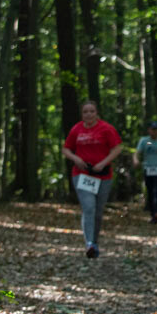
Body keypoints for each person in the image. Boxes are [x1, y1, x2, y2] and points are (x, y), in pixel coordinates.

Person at [61, 100, 124, 259]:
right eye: (85, 112)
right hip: (82, 175)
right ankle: (89, 243)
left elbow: (117, 148)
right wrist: (76, 159)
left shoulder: (106, 129)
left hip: (103, 175)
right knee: (88, 207)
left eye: (92, 111)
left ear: (97, 113)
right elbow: (66, 149)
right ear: (82, 114)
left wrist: (103, 163)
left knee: (97, 211)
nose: (88, 114)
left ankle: (94, 243)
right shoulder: (77, 129)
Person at [134, 121, 157, 224]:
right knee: (150, 191)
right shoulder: (144, 141)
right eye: (152, 129)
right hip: (148, 169)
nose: (154, 131)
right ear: (149, 130)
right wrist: (136, 160)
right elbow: (137, 153)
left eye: (156, 129)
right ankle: (152, 213)